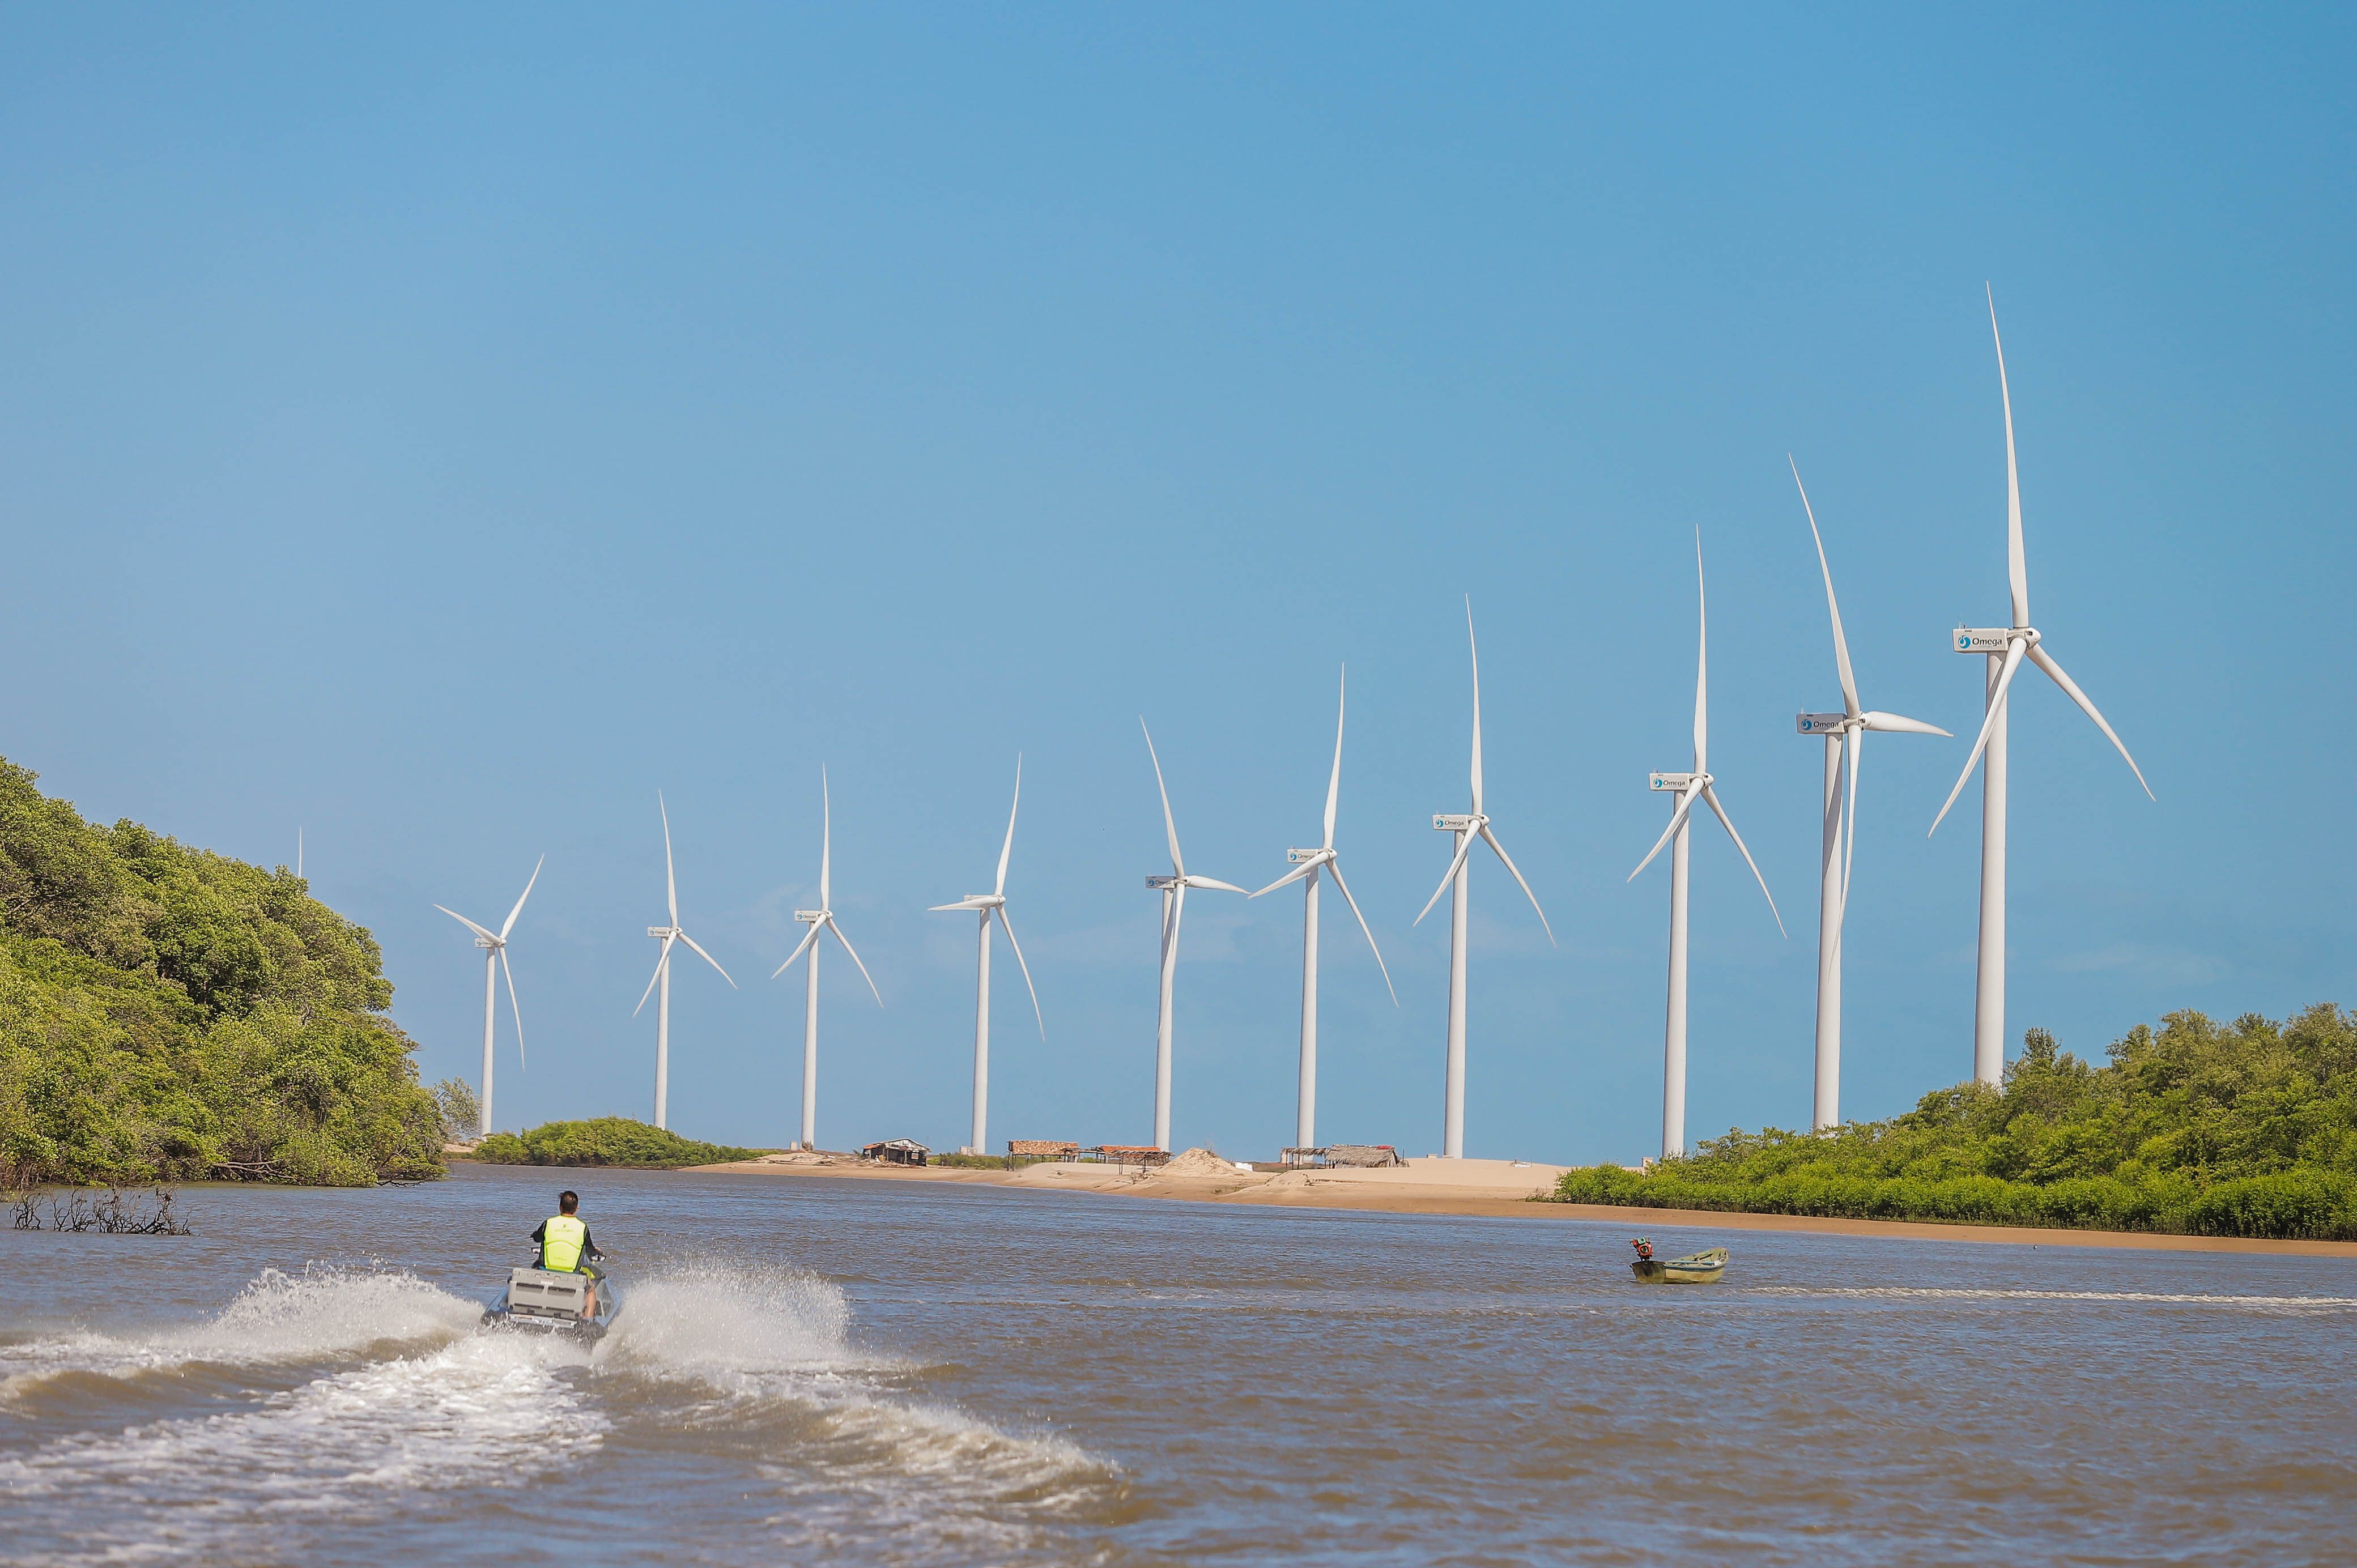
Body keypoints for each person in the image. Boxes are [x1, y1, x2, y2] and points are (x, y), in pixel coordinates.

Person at [532, 1190, 606, 1316]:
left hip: (545, 1272)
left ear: (560, 1207)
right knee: (591, 1289)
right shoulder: (583, 1228)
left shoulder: (548, 1223)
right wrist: (596, 1251)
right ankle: (587, 1321)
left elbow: (537, 1238)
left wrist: (535, 1234)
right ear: (577, 1208)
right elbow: (590, 1251)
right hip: (573, 1275)